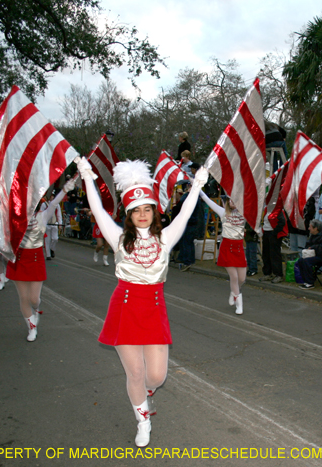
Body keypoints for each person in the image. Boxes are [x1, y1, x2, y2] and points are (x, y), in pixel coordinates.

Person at [78, 156, 208, 447]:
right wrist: (87, 176)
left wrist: (197, 185)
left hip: (153, 308)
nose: (142, 214)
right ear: (130, 213)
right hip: (124, 307)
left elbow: (185, 214)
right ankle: (142, 420)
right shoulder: (118, 237)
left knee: (157, 376)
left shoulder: (165, 238)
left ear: (154, 212)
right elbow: (98, 210)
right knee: (135, 372)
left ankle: (145, 395)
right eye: (136, 210)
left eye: (147, 209)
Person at [6, 180, 74, 341]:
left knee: (34, 299)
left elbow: (54, 204)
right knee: (23, 298)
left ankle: (36, 309)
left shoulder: (42, 217)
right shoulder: (13, 219)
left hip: (35, 260)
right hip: (18, 260)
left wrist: (64, 189)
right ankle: (32, 328)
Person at [199, 191, 248, 315]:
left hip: (238, 247)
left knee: (242, 278)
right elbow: (208, 201)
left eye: (235, 200)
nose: (233, 203)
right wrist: (198, 187)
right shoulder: (223, 212)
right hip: (226, 246)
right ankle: (239, 304)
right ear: (227, 201)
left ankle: (234, 292)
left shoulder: (245, 213)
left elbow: (256, 197)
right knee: (234, 277)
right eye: (230, 200)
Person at [297, 220, 322, 290]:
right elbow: (308, 244)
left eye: (310, 227)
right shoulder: (313, 235)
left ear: (316, 228)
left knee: (306, 261)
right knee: (301, 260)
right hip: (314, 255)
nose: (309, 228)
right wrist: (307, 249)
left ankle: (310, 283)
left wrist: (313, 248)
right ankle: (306, 280)